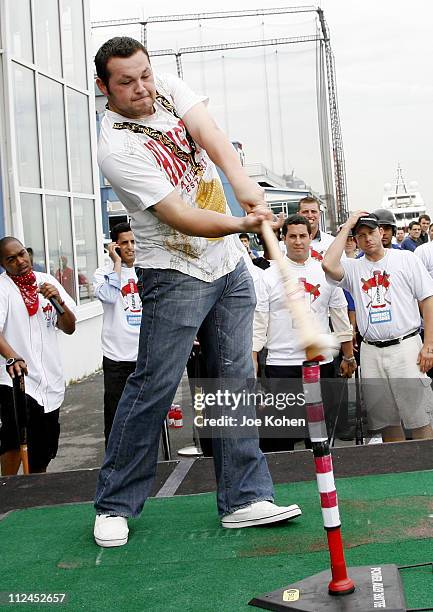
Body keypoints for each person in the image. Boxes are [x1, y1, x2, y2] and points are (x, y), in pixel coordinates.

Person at [92, 36, 301, 547]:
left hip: (228, 270)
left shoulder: (163, 86)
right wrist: (242, 222)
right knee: (154, 387)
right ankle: (115, 504)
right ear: (104, 88)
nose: (142, 88)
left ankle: (244, 498)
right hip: (174, 271)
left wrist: (244, 184)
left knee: (233, 381)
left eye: (144, 74)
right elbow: (180, 216)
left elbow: (211, 136)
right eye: (126, 82)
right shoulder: (117, 147)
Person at [322, 212, 433, 444]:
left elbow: (427, 300)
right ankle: (398, 473)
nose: (367, 239)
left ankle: (425, 472)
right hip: (371, 350)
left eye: (371, 232)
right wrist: (347, 226)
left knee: (419, 418)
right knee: (386, 421)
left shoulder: (406, 259)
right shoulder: (353, 267)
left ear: (381, 232)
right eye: (360, 235)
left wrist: (429, 345)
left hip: (406, 346)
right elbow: (328, 264)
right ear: (356, 240)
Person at [253, 215, 356, 451]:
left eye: (303, 236)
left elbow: (340, 320)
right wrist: (254, 367)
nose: (298, 241)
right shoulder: (268, 276)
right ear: (283, 239)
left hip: (320, 365)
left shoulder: (326, 272)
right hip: (282, 366)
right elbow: (257, 327)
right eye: (292, 236)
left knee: (318, 436)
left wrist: (348, 356)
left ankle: (322, 483)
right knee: (282, 438)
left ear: (311, 237)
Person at [0, 238, 76, 475]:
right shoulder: (3, 288)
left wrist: (58, 300)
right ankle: (8, 492)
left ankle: (35, 497)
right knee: (13, 442)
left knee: (42, 452)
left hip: (49, 382)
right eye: (11, 259)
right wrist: (13, 356)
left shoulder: (47, 282)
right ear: (3, 264)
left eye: (22, 254)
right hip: (16, 380)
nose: (20, 261)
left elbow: (69, 327)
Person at [93, 222, 142, 447]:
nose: (131, 247)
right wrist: (117, 264)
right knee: (115, 415)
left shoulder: (147, 269)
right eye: (125, 243)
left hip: (144, 356)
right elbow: (110, 297)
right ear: (115, 246)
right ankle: (114, 463)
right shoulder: (103, 273)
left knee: (143, 415)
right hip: (117, 357)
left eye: (133, 241)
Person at [298, 196, 334, 261]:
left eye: (313, 211)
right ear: (298, 215)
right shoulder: (288, 244)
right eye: (305, 212)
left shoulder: (332, 242)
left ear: (319, 214)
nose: (310, 215)